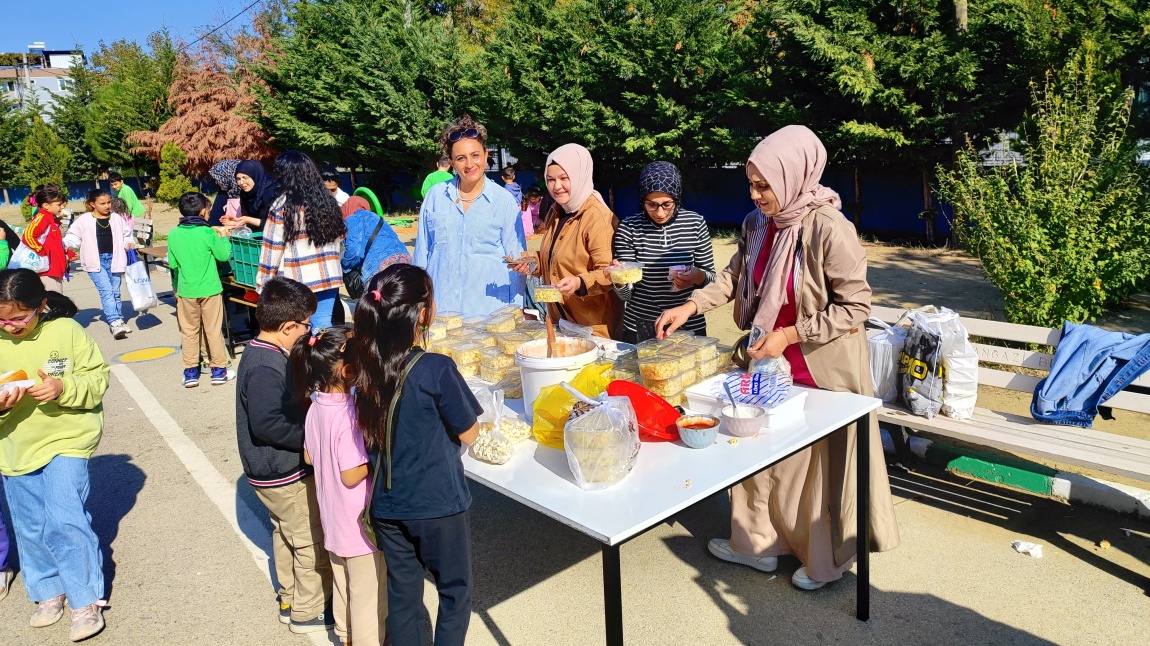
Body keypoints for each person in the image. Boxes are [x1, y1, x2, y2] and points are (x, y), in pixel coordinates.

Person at [654, 125, 900, 590]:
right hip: (768, 360)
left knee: (810, 467)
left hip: (822, 365)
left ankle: (821, 562)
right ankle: (756, 545)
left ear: (794, 175)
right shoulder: (756, 224)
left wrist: (789, 334)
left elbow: (856, 306)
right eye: (751, 183)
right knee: (756, 451)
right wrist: (689, 305)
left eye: (764, 184)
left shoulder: (829, 227)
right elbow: (732, 277)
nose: (756, 194)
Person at [353, 264, 481, 646]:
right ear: (422, 314)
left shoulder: (365, 367)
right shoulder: (436, 368)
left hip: (388, 505)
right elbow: (469, 432)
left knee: (403, 594)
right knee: (455, 591)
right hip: (438, 502)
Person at [0, 269, 110, 641]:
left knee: (64, 517)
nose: (11, 326)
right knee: (29, 524)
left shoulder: (66, 331)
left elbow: (97, 380)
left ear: (41, 305)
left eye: (19, 318)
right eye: (2, 319)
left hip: (68, 438)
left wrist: (63, 386)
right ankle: (47, 590)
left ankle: (84, 599)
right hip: (14, 443)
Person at [236, 276, 334, 634]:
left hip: (270, 474)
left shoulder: (262, 351)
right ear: (288, 326)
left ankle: (289, 595)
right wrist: (310, 440)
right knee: (309, 539)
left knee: (286, 535)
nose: (309, 332)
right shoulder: (265, 366)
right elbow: (266, 423)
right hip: (283, 472)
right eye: (306, 325)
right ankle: (309, 610)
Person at [292, 324, 388, 646]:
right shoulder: (348, 415)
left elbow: (308, 455)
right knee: (366, 591)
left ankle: (345, 636)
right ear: (349, 371)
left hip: (331, 519)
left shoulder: (316, 406)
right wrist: (374, 461)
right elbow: (351, 474)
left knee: (343, 586)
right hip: (357, 527)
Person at [413, 115, 525, 317]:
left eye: (475, 155)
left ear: (485, 155)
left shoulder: (503, 202)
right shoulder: (435, 197)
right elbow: (422, 255)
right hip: (442, 315)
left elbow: (517, 263)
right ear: (452, 163)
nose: (469, 164)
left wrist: (515, 312)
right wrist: (419, 304)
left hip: (490, 315)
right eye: (460, 158)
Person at [511, 143, 621, 339]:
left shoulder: (597, 217)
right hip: (562, 322)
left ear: (579, 176)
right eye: (551, 179)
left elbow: (610, 274)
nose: (556, 186)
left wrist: (579, 283)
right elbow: (557, 256)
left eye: (564, 178)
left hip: (593, 329)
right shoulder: (557, 210)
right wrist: (533, 263)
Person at [611, 162, 716, 343]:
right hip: (641, 326)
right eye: (651, 205)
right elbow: (627, 295)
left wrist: (697, 276)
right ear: (642, 200)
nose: (659, 213)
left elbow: (712, 281)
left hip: (689, 324)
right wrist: (619, 281)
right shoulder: (629, 228)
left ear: (677, 197)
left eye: (667, 204)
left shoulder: (695, 223)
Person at [257, 151, 347, 330]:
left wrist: (263, 286)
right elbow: (340, 240)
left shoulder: (282, 206)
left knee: (300, 331)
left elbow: (272, 249)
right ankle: (323, 358)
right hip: (329, 276)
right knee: (322, 327)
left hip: (297, 281)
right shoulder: (328, 200)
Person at [168, 192, 234, 388]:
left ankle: (190, 372)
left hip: (186, 290)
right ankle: (218, 370)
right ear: (204, 211)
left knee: (189, 332)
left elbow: (172, 263)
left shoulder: (174, 233)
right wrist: (223, 237)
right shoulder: (208, 233)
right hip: (210, 289)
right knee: (213, 330)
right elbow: (223, 256)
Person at [62, 189, 136, 339]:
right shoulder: (84, 220)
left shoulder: (116, 218)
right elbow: (73, 237)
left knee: (115, 291)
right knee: (107, 291)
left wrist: (128, 243)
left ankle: (119, 319)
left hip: (115, 259)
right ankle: (114, 322)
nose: (107, 206)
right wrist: (64, 244)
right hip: (95, 261)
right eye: (102, 203)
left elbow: (127, 235)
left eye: (109, 202)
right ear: (92, 204)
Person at [341, 196, 412, 285]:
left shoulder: (353, 219)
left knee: (383, 297)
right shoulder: (378, 218)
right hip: (406, 260)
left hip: (381, 267)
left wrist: (344, 266)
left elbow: (355, 250)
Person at [21, 185, 69, 293]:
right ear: (46, 205)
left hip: (54, 269)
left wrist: (67, 253)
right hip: (47, 271)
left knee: (55, 303)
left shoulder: (50, 219)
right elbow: (28, 235)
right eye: (59, 204)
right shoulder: (42, 217)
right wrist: (42, 251)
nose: (62, 207)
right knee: (52, 304)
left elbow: (53, 243)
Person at [231, 159, 278, 230]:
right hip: (255, 236)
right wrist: (235, 222)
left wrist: (247, 220)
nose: (241, 182)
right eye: (238, 179)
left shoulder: (270, 192)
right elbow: (246, 217)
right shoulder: (244, 193)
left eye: (245, 178)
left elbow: (273, 223)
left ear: (255, 176)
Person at [207, 159, 242, 227]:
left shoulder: (249, 193)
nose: (216, 182)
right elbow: (214, 220)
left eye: (219, 179)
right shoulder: (223, 193)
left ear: (229, 177)